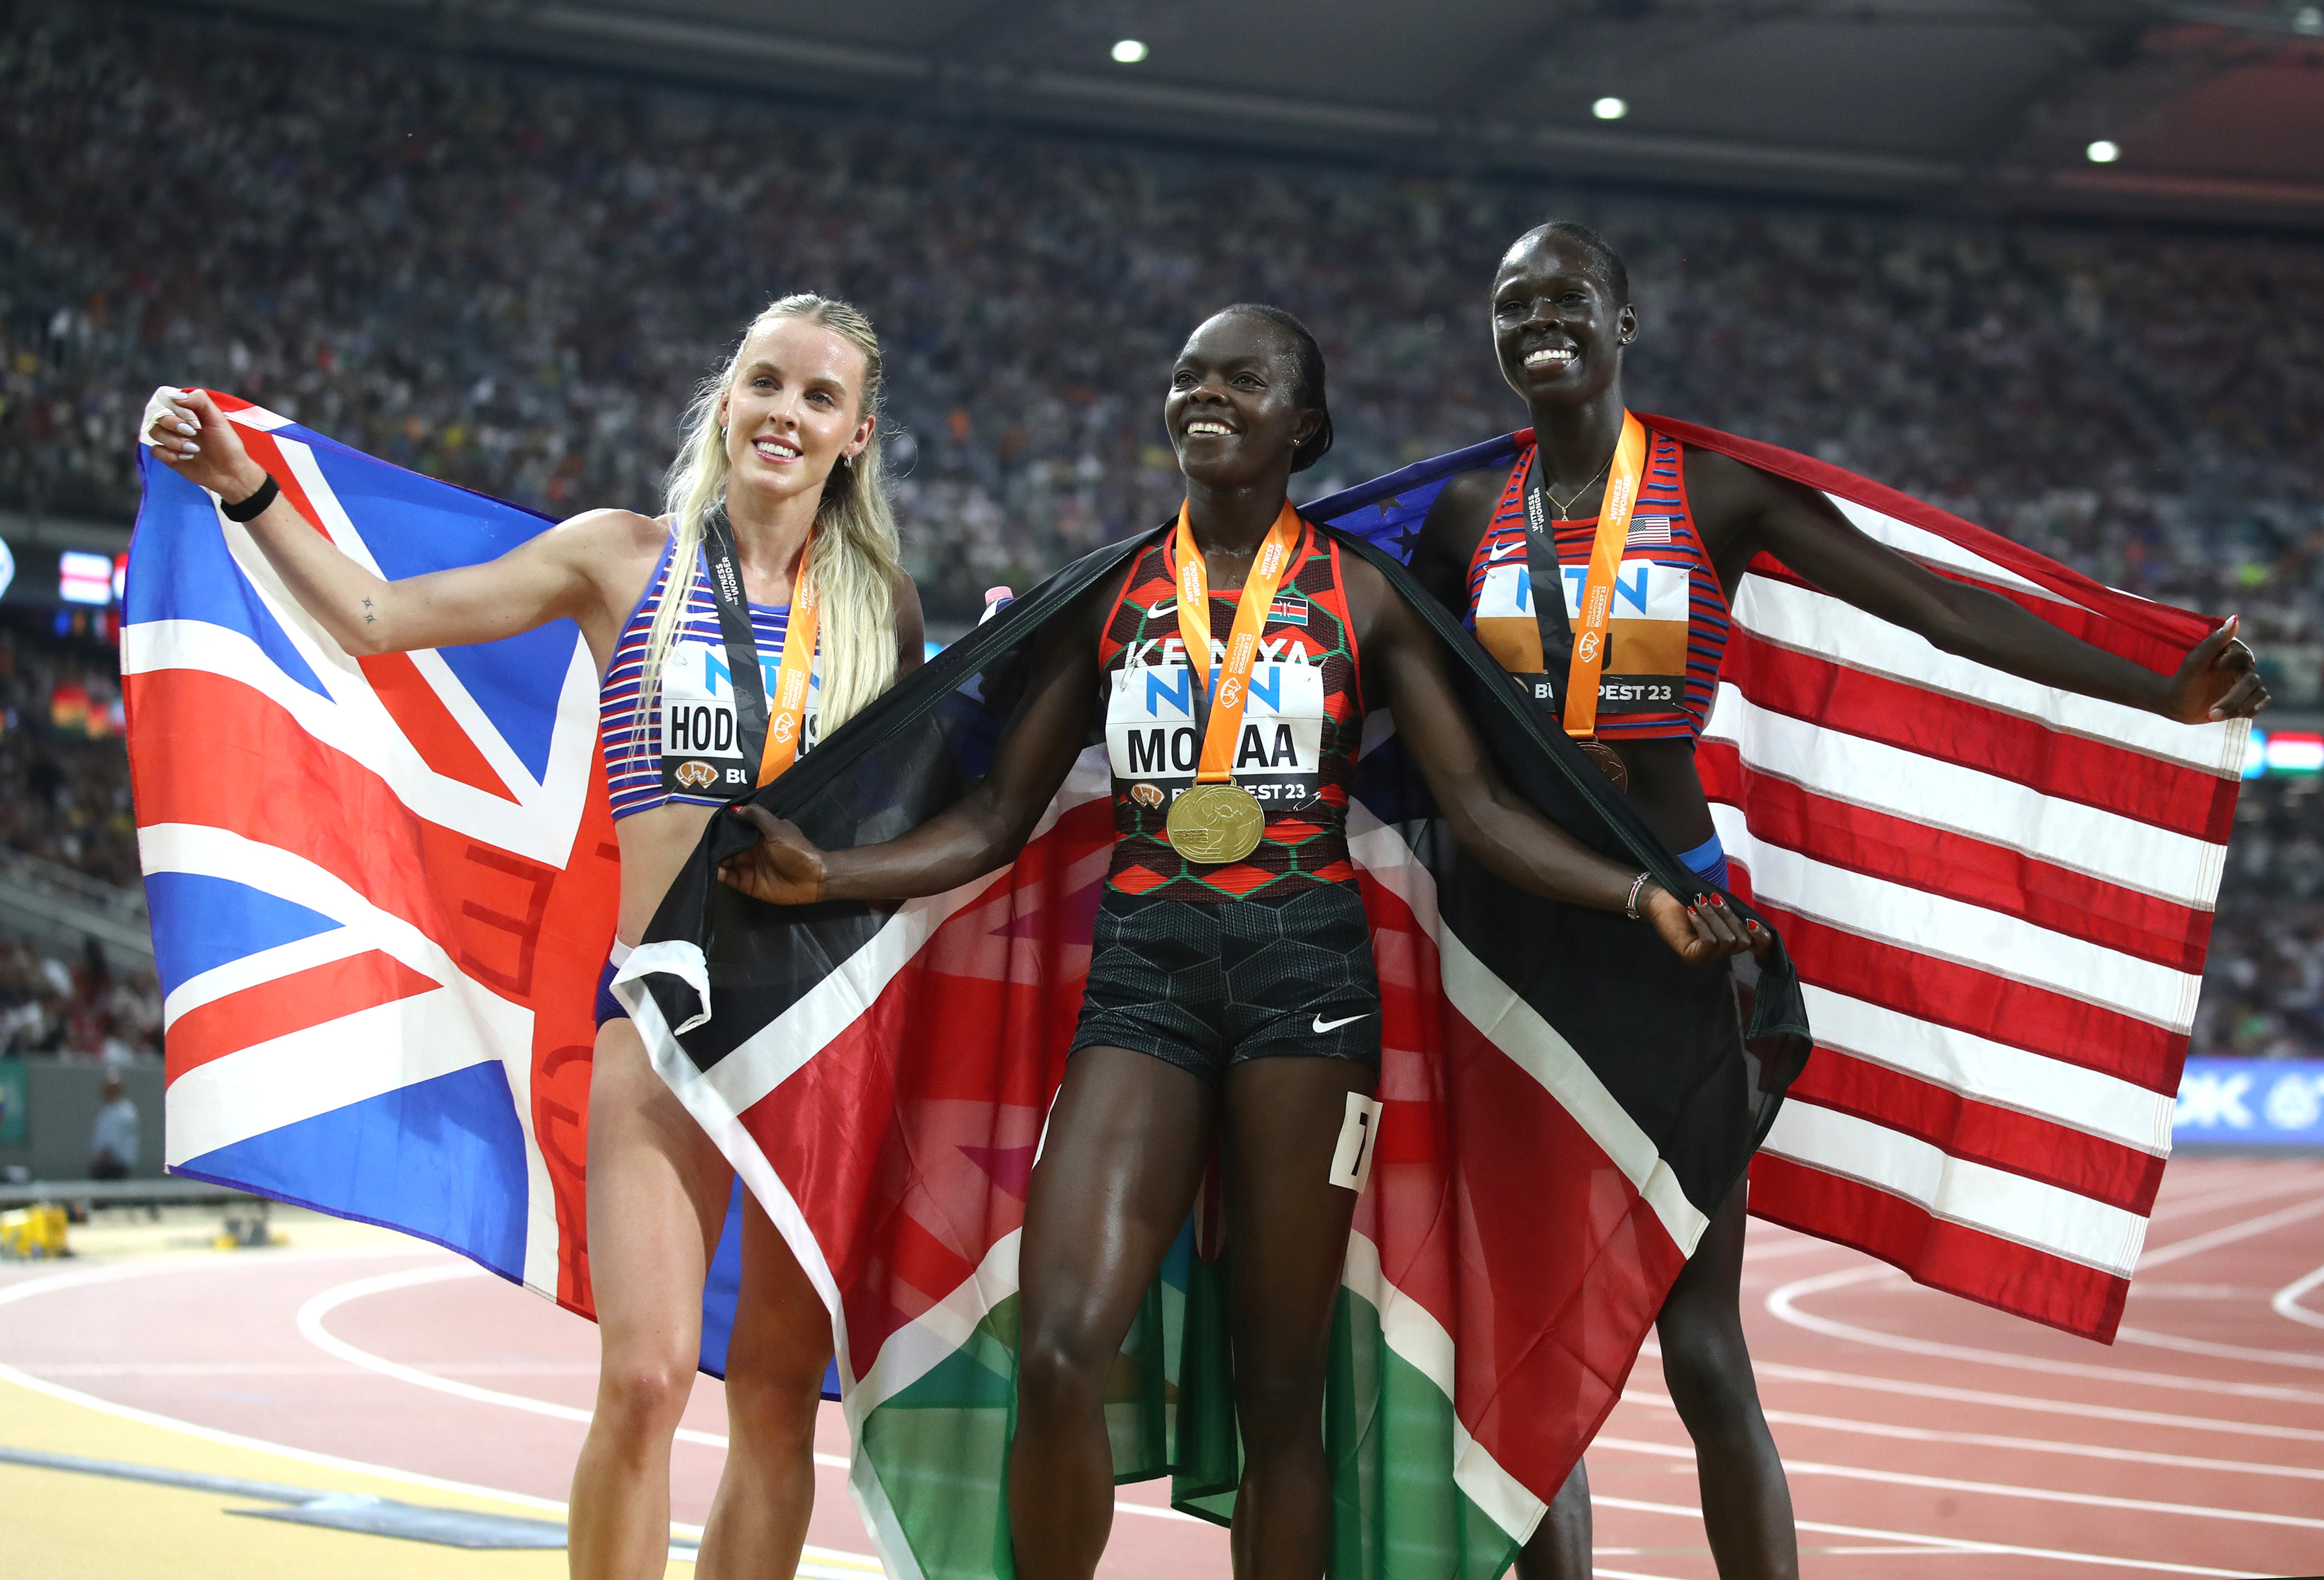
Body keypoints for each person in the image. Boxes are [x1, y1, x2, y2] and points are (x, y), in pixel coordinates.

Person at [713, 303, 1761, 1580]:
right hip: (1143, 985)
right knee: (1059, 1349)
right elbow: (994, 816)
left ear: (1303, 425)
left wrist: (1640, 894)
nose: (1207, 394)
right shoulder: (1109, 592)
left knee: (1281, 1392)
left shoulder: (1363, 596)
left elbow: (1482, 811)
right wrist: (831, 871)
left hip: (1308, 995)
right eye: (1188, 376)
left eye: (1244, 379)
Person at [1409, 220, 2271, 1580]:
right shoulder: (1464, 516)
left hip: (1685, 944)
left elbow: (1936, 610)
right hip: (1519, 946)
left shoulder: (1714, 494)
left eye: (1567, 298)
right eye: (1513, 304)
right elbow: (1356, 664)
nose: (1538, 323)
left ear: (1624, 323)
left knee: (1703, 1346)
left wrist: (2153, 691)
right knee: (1525, 1353)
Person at [141, 293, 925, 1580]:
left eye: (819, 396)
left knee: (779, 1397)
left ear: (857, 436)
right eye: (766, 382)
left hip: (813, 1035)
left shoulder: (878, 609)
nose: (786, 412)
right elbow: (380, 618)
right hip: (659, 1013)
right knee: (646, 1376)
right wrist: (247, 490)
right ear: (727, 398)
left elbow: (907, 820)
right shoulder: (620, 557)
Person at [90, 1071, 137, 1180]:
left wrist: (101, 1164)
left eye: (111, 1089)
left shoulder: (125, 1112)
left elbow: (112, 1144)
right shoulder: (109, 1110)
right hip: (105, 1165)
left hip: (113, 1167)